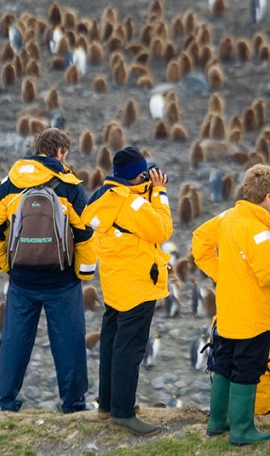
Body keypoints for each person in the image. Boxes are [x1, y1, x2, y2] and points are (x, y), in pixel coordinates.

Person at [0, 128, 97, 414]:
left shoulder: (12, 183)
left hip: (22, 279)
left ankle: (6, 401)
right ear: (59, 151)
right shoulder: (68, 185)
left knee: (14, 339)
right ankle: (73, 403)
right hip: (61, 280)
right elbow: (84, 232)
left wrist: (7, 265)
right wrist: (82, 273)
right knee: (69, 341)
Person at [82, 147, 173, 435]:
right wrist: (159, 192)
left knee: (111, 342)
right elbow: (163, 230)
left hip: (114, 284)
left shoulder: (103, 198)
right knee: (129, 349)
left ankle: (107, 405)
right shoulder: (134, 206)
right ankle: (123, 412)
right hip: (138, 285)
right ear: (138, 176)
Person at [192, 164, 270, 446]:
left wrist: (223, 273)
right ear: (268, 197)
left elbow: (199, 242)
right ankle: (242, 429)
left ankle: (218, 421)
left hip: (229, 308)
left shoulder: (228, 217)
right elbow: (268, 275)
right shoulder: (258, 231)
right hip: (253, 313)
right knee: (247, 366)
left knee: (224, 360)